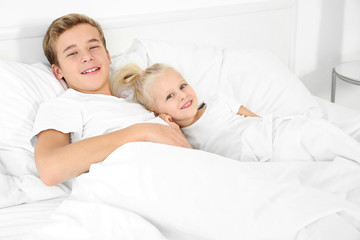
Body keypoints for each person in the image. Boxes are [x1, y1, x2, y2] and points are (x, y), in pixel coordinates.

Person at [32, 14, 191, 187]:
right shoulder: (64, 105)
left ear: (108, 56)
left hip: (184, 172)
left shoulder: (136, 100)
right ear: (57, 71)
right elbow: (50, 169)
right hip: (147, 183)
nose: (87, 56)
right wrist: (142, 131)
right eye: (72, 53)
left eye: (93, 46)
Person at [111, 62, 360, 163]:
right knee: (320, 163)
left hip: (276, 135)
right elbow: (189, 159)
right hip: (262, 162)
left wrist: (278, 128)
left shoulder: (218, 102)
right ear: (158, 112)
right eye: (170, 96)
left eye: (182, 86)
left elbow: (256, 119)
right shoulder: (182, 136)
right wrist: (167, 124)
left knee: (320, 133)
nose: (183, 95)